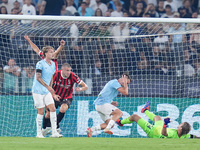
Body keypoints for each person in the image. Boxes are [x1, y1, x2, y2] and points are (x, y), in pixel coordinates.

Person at [41, 63, 88, 136]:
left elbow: (86, 86)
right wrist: (53, 95)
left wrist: (80, 89)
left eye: (69, 70)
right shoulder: (56, 74)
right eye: (67, 70)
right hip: (55, 95)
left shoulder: (73, 76)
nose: (68, 72)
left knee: (63, 109)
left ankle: (54, 127)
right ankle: (44, 129)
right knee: (48, 114)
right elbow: (50, 86)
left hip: (67, 97)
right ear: (62, 70)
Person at [117, 101, 200, 138]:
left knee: (134, 116)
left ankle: (121, 122)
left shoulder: (172, 133)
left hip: (153, 132)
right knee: (158, 118)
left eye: (180, 125)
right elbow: (194, 137)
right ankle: (145, 110)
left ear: (180, 128)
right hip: (158, 128)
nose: (178, 125)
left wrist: (165, 124)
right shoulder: (185, 136)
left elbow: (164, 133)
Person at [86, 72, 132, 137]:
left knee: (110, 123)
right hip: (102, 104)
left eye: (127, 83)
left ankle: (91, 130)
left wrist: (111, 102)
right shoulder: (115, 82)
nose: (125, 84)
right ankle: (107, 129)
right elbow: (126, 92)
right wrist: (125, 84)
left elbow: (105, 94)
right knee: (119, 113)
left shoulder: (114, 84)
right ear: (122, 78)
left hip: (99, 105)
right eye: (126, 82)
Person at [32, 46, 62, 138]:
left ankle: (54, 132)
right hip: (37, 91)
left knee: (52, 109)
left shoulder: (53, 64)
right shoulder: (40, 63)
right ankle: (38, 133)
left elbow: (52, 77)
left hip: (46, 91)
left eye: (53, 52)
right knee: (41, 111)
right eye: (50, 52)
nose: (52, 53)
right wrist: (48, 87)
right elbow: (38, 77)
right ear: (45, 54)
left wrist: (51, 90)